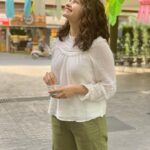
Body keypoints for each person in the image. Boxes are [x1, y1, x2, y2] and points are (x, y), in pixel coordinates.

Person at [43, 0, 116, 149]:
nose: (69, 3)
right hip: (59, 116)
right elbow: (60, 74)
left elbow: (109, 87)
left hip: (88, 120)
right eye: (70, 0)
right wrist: (51, 79)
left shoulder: (98, 45)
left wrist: (77, 89)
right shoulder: (59, 41)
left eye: (77, 2)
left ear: (88, 11)